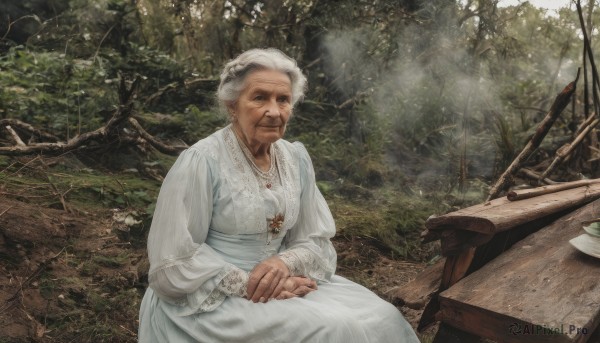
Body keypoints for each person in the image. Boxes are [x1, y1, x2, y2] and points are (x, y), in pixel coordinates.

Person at [138, 48, 420, 343]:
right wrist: (249, 284)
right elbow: (174, 258)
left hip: (286, 281)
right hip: (211, 296)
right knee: (335, 328)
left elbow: (314, 239)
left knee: (384, 318)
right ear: (232, 105)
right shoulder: (202, 161)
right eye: (260, 97)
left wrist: (284, 264)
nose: (274, 111)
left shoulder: (295, 158)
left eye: (283, 99)